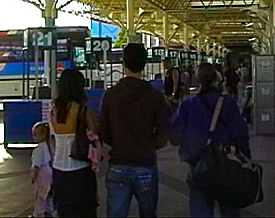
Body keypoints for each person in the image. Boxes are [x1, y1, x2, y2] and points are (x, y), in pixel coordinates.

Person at [169, 63, 251, 218]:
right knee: (230, 209)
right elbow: (241, 134)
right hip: (227, 165)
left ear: (198, 79)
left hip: (199, 166)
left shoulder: (188, 105)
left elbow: (174, 136)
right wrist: (246, 159)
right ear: (216, 79)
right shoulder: (228, 104)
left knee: (201, 210)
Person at [99, 43, 169, 217]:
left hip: (118, 164)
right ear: (145, 64)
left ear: (123, 63)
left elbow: (104, 131)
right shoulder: (155, 97)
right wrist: (149, 144)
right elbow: (163, 134)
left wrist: (118, 142)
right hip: (145, 164)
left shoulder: (111, 95)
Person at [50, 68, 98, 217]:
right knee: (85, 211)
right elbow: (96, 134)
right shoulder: (83, 110)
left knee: (64, 212)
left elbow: (52, 139)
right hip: (80, 169)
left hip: (59, 169)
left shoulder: (53, 111)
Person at [30, 122, 54, 218]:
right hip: (49, 175)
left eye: (35, 134)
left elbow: (36, 166)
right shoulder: (48, 146)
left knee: (40, 196)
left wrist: (33, 177)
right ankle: (49, 211)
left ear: (43, 135)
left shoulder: (38, 150)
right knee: (47, 195)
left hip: (41, 176)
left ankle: (38, 213)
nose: (33, 137)